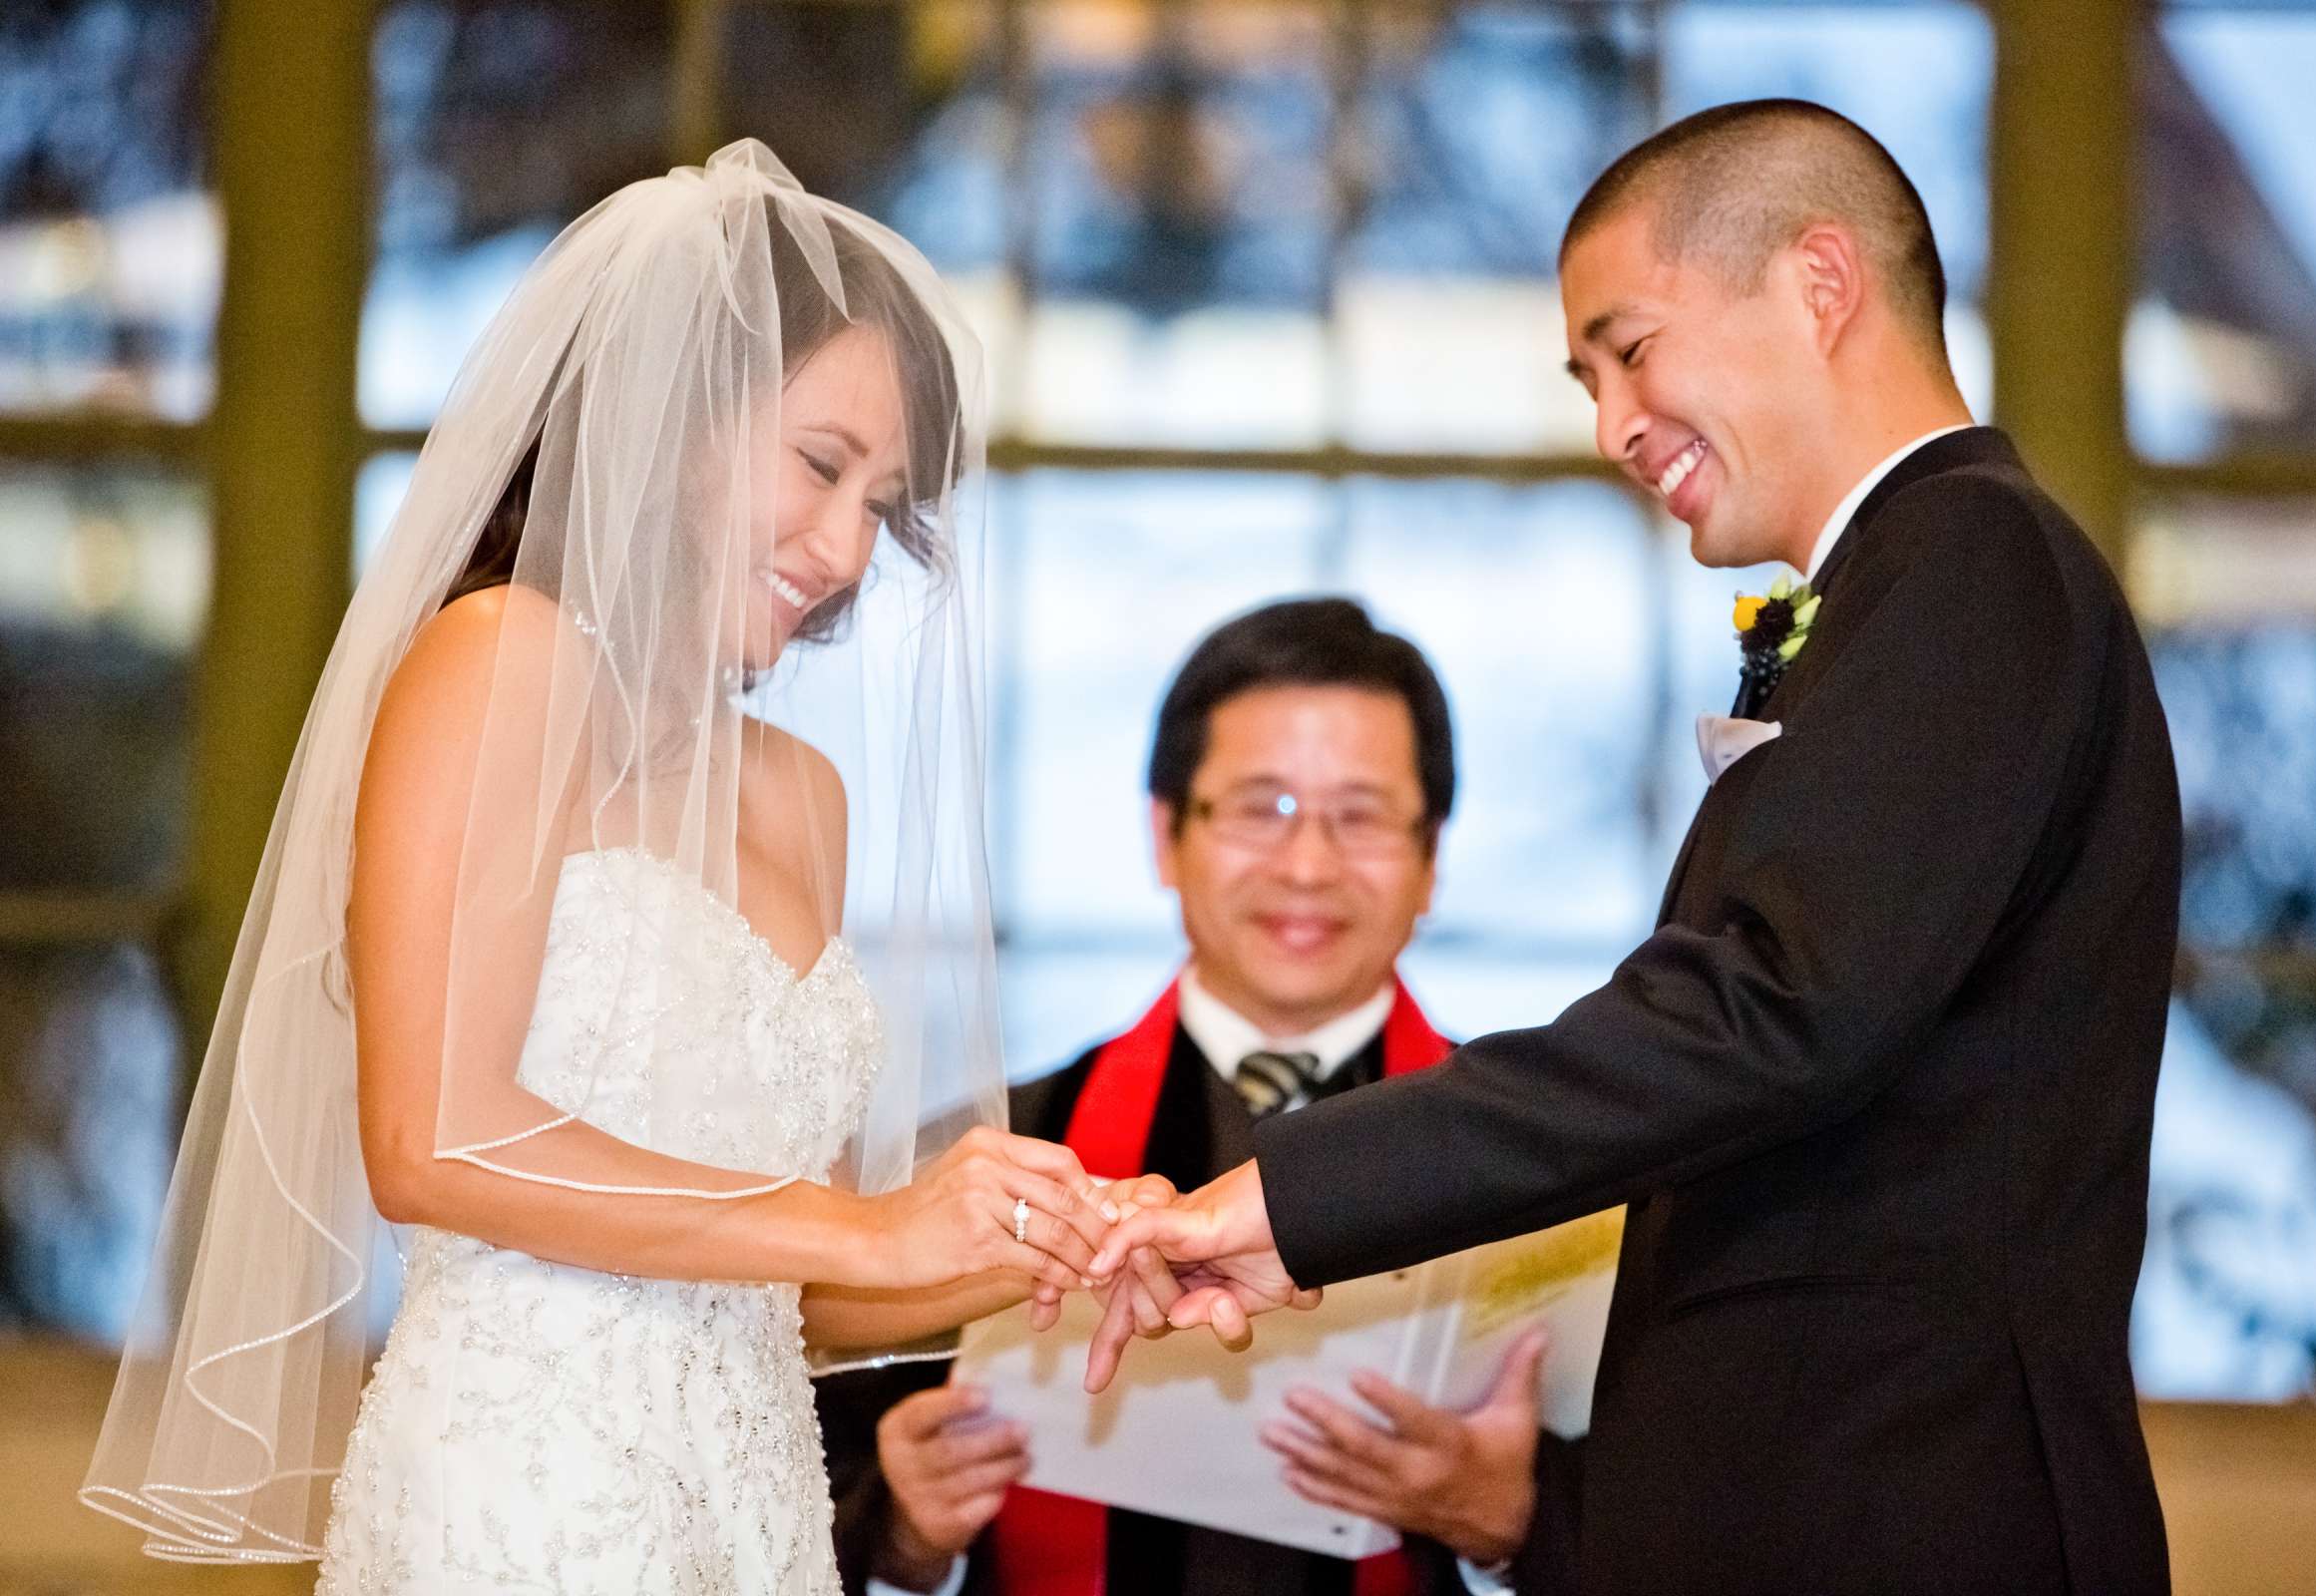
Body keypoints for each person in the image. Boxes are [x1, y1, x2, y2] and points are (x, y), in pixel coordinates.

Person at [1084, 100, 2182, 1596]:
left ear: (1818, 281)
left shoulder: (1973, 561)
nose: (1610, 426)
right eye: (1587, 379)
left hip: (1901, 1511)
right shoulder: (1891, 590)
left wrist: (1301, 1194)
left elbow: (1774, 1006)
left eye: (1630, 350)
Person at [81, 142, 1114, 1595]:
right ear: (668, 417)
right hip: (521, 1495)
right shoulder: (499, 661)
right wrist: (873, 1219)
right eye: (820, 466)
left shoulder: (804, 793)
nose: (842, 549)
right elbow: (430, 1142)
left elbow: (788, 1283)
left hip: (755, 1509)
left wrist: (1049, 1253)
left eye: (885, 508)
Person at [820, 598, 1550, 1596]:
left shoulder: (1541, 1162)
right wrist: (905, 1531)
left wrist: (1514, 1522)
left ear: (1432, 856)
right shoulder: (998, 1150)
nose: (1307, 865)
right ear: (1167, 834)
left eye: (1361, 815)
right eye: (1261, 807)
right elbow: (792, 1470)